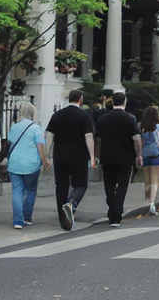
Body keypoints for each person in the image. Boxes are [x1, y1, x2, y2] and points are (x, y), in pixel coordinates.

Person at [45, 89, 96, 231]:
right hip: (78, 155)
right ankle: (72, 203)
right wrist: (92, 156)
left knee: (61, 185)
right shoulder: (84, 116)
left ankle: (63, 218)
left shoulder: (58, 115)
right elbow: (88, 137)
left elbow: (49, 136)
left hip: (60, 154)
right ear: (80, 99)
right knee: (80, 185)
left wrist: (48, 155)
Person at [94, 91, 142, 227]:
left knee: (108, 184)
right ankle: (116, 212)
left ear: (112, 102)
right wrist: (139, 155)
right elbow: (136, 139)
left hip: (107, 157)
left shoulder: (103, 119)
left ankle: (111, 202)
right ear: (124, 102)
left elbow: (98, 140)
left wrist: (96, 156)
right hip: (126, 157)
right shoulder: (130, 119)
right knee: (122, 185)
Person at [5, 101, 50, 229]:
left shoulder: (14, 127)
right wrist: (44, 161)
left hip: (14, 163)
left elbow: (10, 144)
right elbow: (40, 146)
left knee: (17, 191)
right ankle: (27, 217)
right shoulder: (36, 128)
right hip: (31, 164)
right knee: (31, 190)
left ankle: (17, 220)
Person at [138, 105, 159, 215]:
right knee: (155, 178)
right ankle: (152, 203)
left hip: (145, 155)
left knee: (147, 177)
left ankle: (147, 200)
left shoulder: (141, 128)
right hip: (157, 155)